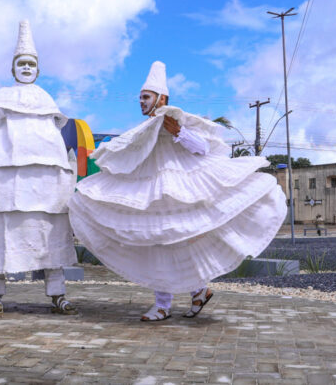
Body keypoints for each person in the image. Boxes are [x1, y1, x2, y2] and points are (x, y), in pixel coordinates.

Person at [68, 61, 287, 321]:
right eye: (139, 97)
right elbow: (126, 148)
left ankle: (181, 297)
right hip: (153, 191)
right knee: (158, 243)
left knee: (175, 240)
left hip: (177, 189)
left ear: (162, 98)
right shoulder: (145, 128)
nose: (141, 101)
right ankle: (182, 296)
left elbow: (203, 148)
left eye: (146, 97)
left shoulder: (175, 119)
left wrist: (179, 132)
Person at [0, 20, 77, 315]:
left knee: (47, 232)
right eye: (21, 63)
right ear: (13, 68)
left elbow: (54, 140)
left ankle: (57, 293)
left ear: (38, 70)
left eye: (31, 64)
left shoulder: (45, 100)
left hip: (42, 183)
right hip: (2, 180)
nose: (26, 68)